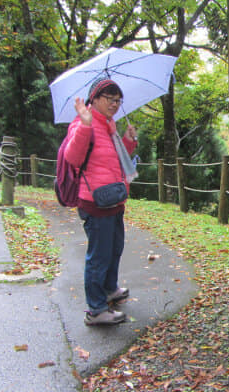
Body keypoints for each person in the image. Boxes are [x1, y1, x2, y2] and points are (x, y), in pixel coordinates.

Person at [62, 77, 138, 326]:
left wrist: (128, 141)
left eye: (118, 100)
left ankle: (109, 289)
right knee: (99, 256)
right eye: (110, 99)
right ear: (94, 99)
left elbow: (112, 160)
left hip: (113, 199)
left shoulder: (109, 125)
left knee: (115, 249)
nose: (115, 104)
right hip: (95, 202)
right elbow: (72, 157)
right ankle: (96, 309)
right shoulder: (83, 123)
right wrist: (84, 126)